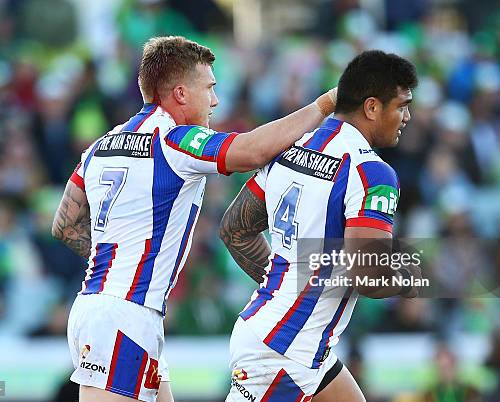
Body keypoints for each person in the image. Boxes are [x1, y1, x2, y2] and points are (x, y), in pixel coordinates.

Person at [51, 36, 338, 402]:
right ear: (182, 94)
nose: (215, 100)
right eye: (210, 88)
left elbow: (64, 224)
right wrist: (323, 104)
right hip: (125, 316)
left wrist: (116, 270)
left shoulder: (102, 144)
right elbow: (251, 151)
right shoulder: (174, 139)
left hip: (108, 309)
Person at [219, 50, 420, 401]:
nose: (407, 116)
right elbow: (368, 277)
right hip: (284, 354)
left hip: (286, 338)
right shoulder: (373, 172)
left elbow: (235, 229)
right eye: (401, 106)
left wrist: (290, 283)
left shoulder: (290, 147)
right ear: (372, 108)